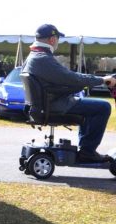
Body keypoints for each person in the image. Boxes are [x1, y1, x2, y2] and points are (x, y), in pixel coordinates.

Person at [22, 24, 115, 163]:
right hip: (55, 105)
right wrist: (102, 80)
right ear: (53, 39)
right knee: (103, 107)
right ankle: (87, 152)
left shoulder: (34, 56)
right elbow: (72, 78)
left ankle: (85, 149)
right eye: (58, 39)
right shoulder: (42, 59)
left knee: (89, 106)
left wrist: (79, 85)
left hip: (49, 102)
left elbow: (65, 79)